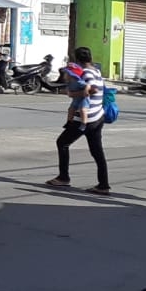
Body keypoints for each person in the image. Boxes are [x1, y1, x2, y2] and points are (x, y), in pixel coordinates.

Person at [45, 46, 110, 194]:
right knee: (97, 151)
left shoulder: (86, 73)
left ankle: (63, 177)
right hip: (98, 116)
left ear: (77, 59)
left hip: (85, 118)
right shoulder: (96, 70)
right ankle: (103, 185)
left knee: (62, 143)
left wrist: (73, 93)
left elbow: (92, 90)